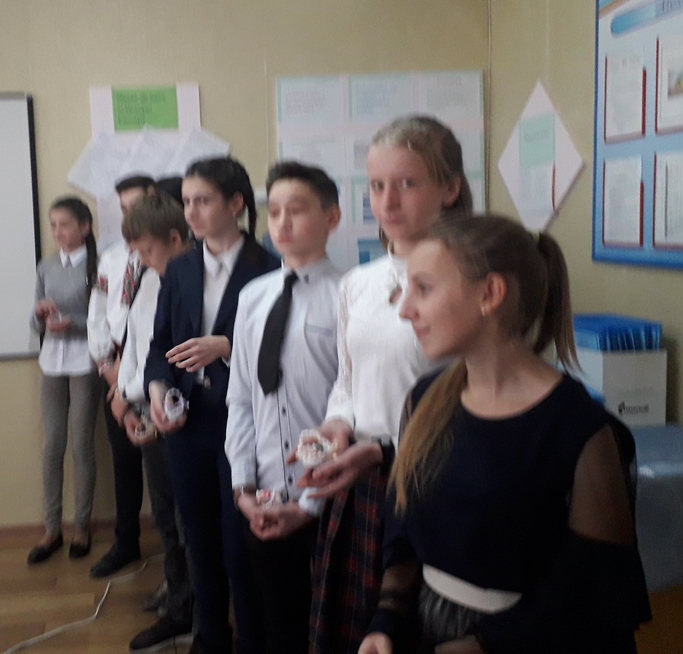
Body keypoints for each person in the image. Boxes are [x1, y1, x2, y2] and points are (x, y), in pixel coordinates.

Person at [359, 214, 651, 654]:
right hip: (426, 631)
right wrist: (386, 621)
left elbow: (588, 588)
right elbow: (403, 527)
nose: (404, 309)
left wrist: (481, 645)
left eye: (424, 288)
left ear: (490, 294)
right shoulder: (424, 401)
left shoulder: (578, 429)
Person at [299, 116, 472, 653]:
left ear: (449, 188)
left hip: (437, 483)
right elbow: (348, 380)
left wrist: (385, 449)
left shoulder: (470, 281)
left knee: (416, 632)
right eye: (376, 186)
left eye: (407, 183)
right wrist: (337, 423)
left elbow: (477, 398)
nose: (388, 201)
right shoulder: (358, 283)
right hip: (365, 488)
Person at [145, 156, 280, 654]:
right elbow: (160, 347)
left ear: (235, 204)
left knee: (238, 545)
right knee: (198, 541)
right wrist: (157, 393)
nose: (191, 212)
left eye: (202, 201)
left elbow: (281, 351)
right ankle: (210, 639)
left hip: (242, 422)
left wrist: (225, 346)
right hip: (188, 423)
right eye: (186, 202)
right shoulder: (180, 268)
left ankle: (252, 642)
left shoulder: (269, 268)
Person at [225, 161, 343, 654]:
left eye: (297, 210)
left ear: (332, 217)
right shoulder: (253, 297)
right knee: (278, 626)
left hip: (331, 499)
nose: (282, 222)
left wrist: (309, 503)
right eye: (273, 211)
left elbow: (349, 407)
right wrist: (243, 487)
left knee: (333, 628)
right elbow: (241, 397)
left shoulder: (347, 297)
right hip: (267, 497)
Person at [114, 194, 197, 652]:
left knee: (191, 522)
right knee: (165, 517)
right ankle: (178, 601)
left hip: (188, 422)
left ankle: (199, 611)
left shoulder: (199, 282)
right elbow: (140, 347)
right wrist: (130, 401)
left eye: (148, 251)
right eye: (138, 254)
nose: (143, 261)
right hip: (152, 410)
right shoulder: (150, 282)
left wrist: (168, 406)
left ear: (176, 239)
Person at [87, 174, 157, 579]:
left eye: (137, 206)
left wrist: (128, 374)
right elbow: (98, 313)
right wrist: (107, 365)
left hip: (149, 375)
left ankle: (177, 558)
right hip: (113, 368)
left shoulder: (164, 258)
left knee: (161, 467)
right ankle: (126, 541)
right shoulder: (112, 258)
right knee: (124, 462)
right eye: (124, 209)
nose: (129, 215)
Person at [27, 196, 99, 564]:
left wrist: (75, 324)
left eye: (64, 225)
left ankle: (82, 527)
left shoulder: (97, 265)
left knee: (81, 445)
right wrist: (40, 316)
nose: (57, 232)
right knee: (52, 445)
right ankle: (51, 528)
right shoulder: (47, 266)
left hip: (86, 361)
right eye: (53, 225)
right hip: (51, 362)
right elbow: (35, 322)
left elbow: (105, 321)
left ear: (84, 227)